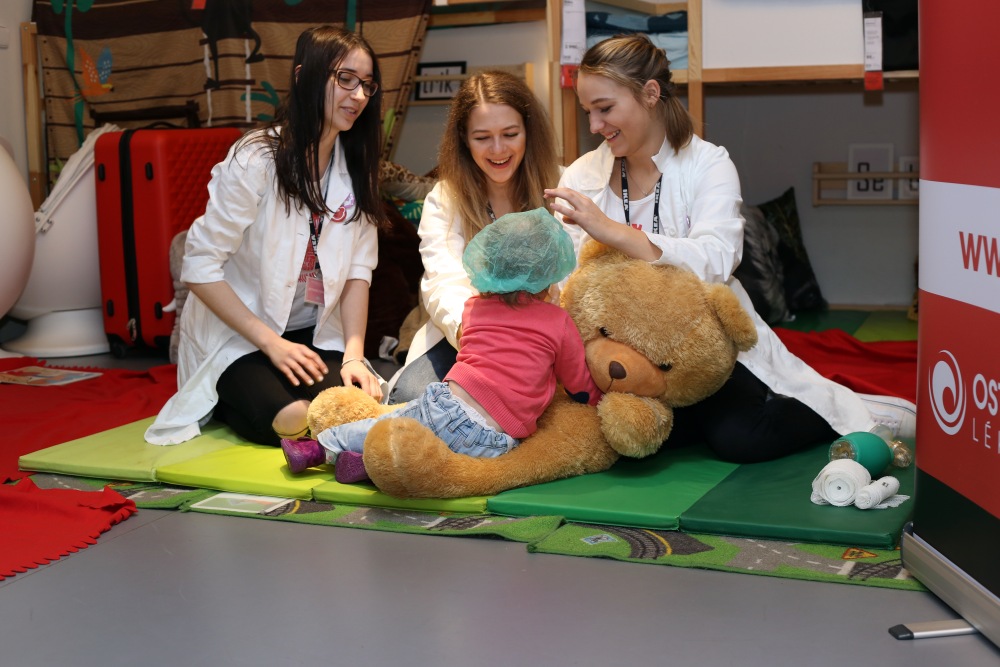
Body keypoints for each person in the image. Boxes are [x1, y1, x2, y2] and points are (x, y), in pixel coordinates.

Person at [544, 33, 916, 463]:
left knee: (741, 438)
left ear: (650, 94)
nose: (594, 126)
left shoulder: (708, 163)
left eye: (605, 108)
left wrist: (612, 231)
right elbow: (568, 282)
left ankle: (851, 410)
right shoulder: (583, 176)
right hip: (620, 351)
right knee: (621, 438)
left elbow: (717, 258)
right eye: (587, 112)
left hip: (698, 344)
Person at [145, 26, 387, 447]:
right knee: (292, 418)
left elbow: (358, 272)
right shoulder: (256, 157)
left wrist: (353, 355)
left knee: (357, 408)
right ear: (304, 76)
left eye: (367, 84)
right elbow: (199, 266)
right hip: (239, 334)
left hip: (308, 334)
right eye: (345, 79)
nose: (359, 95)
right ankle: (222, 395)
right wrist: (271, 344)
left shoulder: (356, 167)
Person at [281, 208, 603, 481]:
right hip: (494, 440)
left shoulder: (474, 307)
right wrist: (600, 400)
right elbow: (579, 386)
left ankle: (320, 449)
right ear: (548, 276)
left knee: (388, 424)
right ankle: (369, 465)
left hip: (445, 406)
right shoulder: (558, 321)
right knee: (437, 466)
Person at [386, 69, 561, 404]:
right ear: (464, 139)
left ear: (528, 131)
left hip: (545, 333)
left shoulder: (560, 187)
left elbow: (573, 275)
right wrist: (479, 337)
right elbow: (444, 280)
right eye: (482, 137)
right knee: (413, 398)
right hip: (472, 335)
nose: (498, 149)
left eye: (510, 134)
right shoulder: (446, 198)